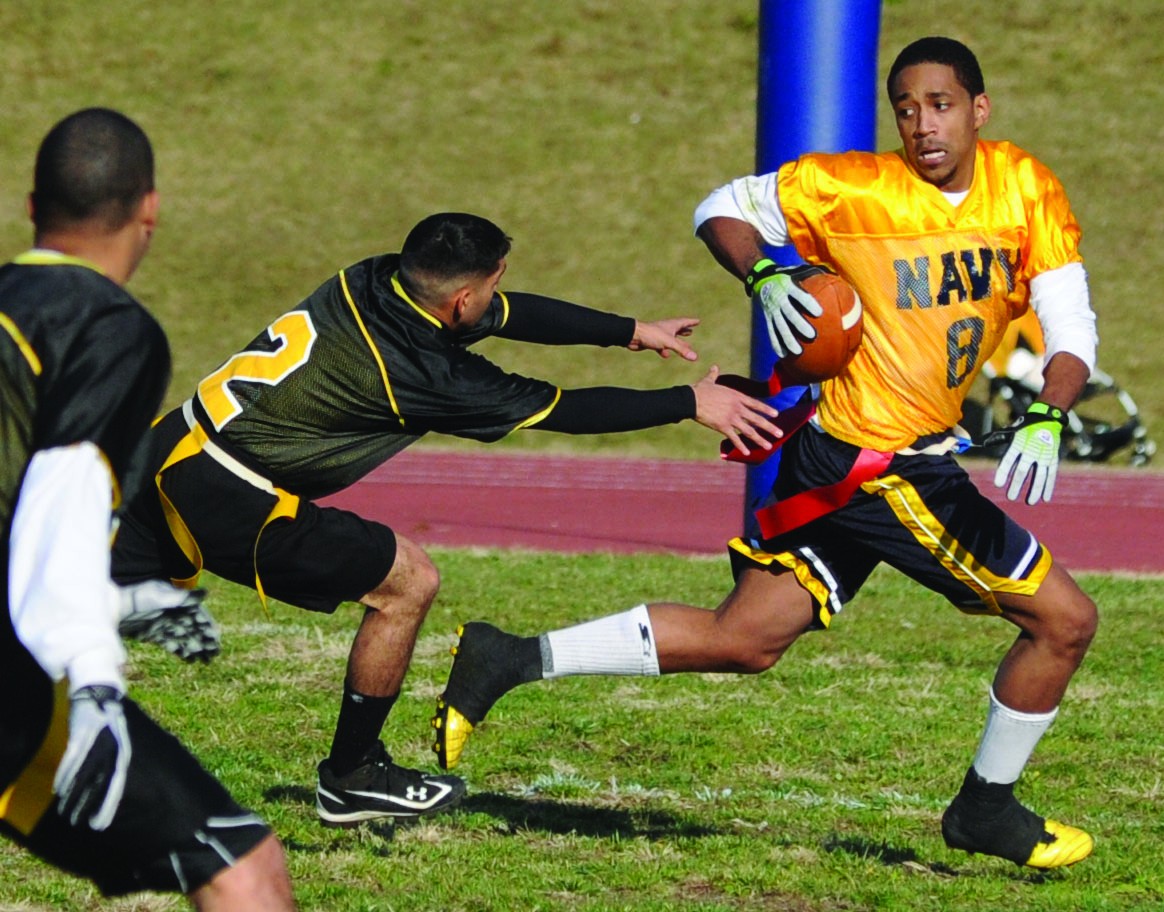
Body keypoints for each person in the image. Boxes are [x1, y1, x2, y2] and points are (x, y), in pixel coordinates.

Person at [431, 37, 1101, 870]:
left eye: (941, 104)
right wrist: (764, 275)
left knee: (743, 637)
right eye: (906, 108)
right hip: (883, 464)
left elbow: (1071, 324)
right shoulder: (854, 186)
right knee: (1066, 622)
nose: (922, 124)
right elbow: (720, 206)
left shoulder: (1025, 187)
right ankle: (985, 809)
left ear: (979, 109)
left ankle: (507, 657)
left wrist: (1049, 412)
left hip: (853, 458)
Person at [110, 210, 783, 828]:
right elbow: (567, 410)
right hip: (233, 492)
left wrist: (629, 332)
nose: (496, 300)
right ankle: (352, 776)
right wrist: (688, 403)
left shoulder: (376, 276)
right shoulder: (426, 372)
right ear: (462, 299)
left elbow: (510, 314)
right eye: (491, 289)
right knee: (406, 582)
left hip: (171, 446)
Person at [0, 109, 295, 909]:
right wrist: (93, 683)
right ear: (150, 210)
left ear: (32, 207)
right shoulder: (107, 326)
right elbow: (54, 508)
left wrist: (124, 598)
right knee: (244, 868)